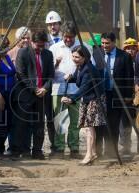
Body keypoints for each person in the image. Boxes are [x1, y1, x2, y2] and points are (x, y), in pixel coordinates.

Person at [49, 21, 92, 158]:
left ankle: (74, 148)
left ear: (75, 35)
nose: (68, 39)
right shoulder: (54, 48)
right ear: (62, 35)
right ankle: (59, 148)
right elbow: (48, 72)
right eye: (66, 36)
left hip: (77, 91)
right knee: (60, 120)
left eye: (71, 37)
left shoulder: (84, 47)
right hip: (58, 89)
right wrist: (56, 64)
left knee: (75, 121)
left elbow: (90, 68)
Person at [61, 45, 105, 165]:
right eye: (73, 56)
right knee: (88, 128)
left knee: (89, 127)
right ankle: (93, 152)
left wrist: (71, 98)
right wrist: (70, 78)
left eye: (77, 57)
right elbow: (77, 78)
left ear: (84, 57)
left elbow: (84, 87)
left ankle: (89, 154)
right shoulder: (80, 66)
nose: (74, 59)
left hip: (94, 100)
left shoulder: (89, 69)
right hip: (87, 99)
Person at [97, 32, 134, 158]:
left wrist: (129, 95)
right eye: (102, 43)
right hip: (101, 94)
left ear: (114, 42)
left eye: (107, 43)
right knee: (101, 123)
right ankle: (99, 150)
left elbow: (129, 77)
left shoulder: (124, 56)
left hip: (116, 94)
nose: (104, 46)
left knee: (113, 124)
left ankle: (111, 151)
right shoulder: (98, 54)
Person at [10, 31, 37, 158]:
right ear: (17, 39)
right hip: (21, 93)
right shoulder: (15, 52)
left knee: (30, 124)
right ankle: (16, 150)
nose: (26, 40)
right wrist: (33, 88)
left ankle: (26, 149)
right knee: (19, 123)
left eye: (28, 38)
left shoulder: (34, 51)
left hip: (34, 94)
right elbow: (20, 73)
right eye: (23, 38)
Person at [28, 30, 54, 159]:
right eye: (38, 45)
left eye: (42, 45)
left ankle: (37, 150)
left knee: (40, 124)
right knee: (26, 123)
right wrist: (34, 89)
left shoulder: (48, 55)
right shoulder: (24, 53)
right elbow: (21, 74)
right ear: (32, 42)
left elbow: (50, 75)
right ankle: (23, 150)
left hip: (43, 94)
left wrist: (44, 88)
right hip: (28, 94)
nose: (40, 48)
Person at [119, 37, 138, 155]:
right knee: (124, 122)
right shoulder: (121, 61)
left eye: (133, 48)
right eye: (127, 49)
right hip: (126, 95)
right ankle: (125, 145)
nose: (130, 51)